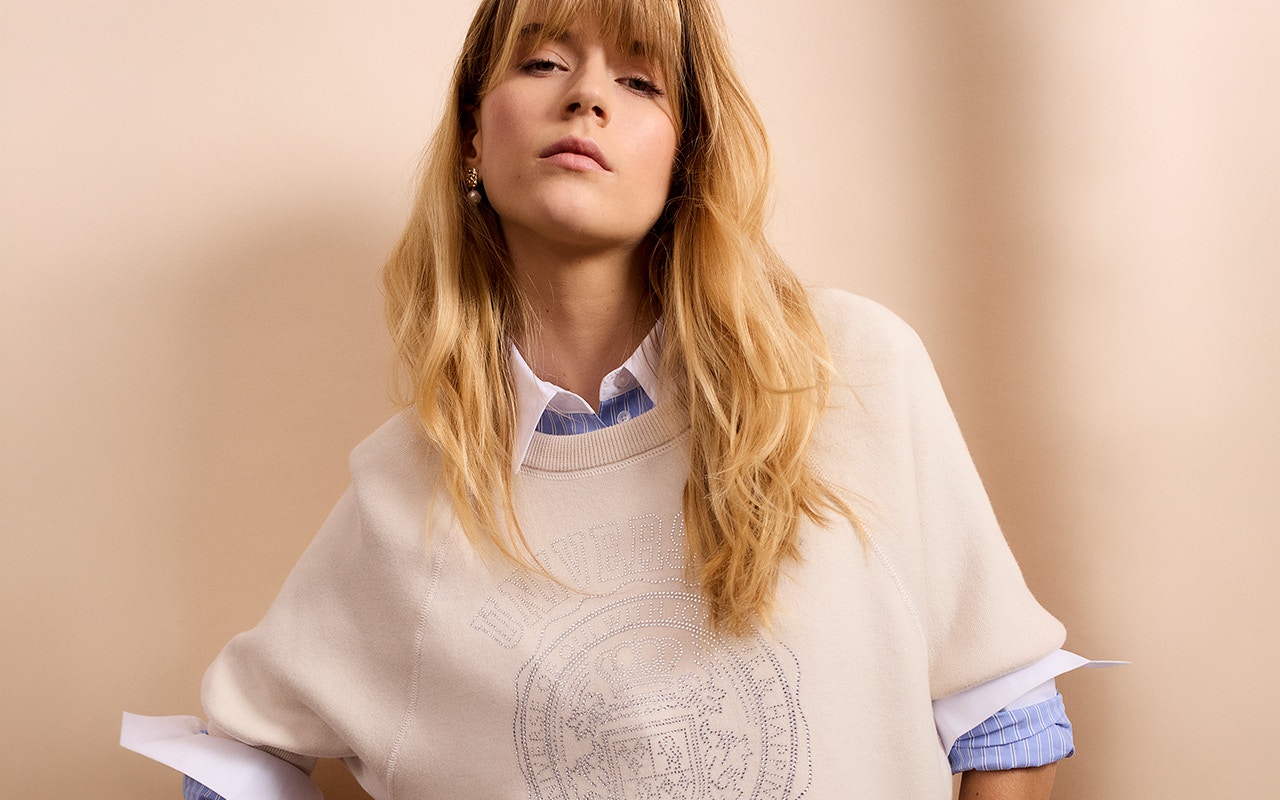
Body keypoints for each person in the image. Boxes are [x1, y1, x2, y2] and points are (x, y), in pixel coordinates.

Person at [123, 0, 1093, 797]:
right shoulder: (407, 485)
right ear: (471, 135)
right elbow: (238, 754)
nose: (586, 95)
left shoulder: (844, 370)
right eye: (541, 62)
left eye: (637, 80)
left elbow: (1007, 720)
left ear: (683, 159)